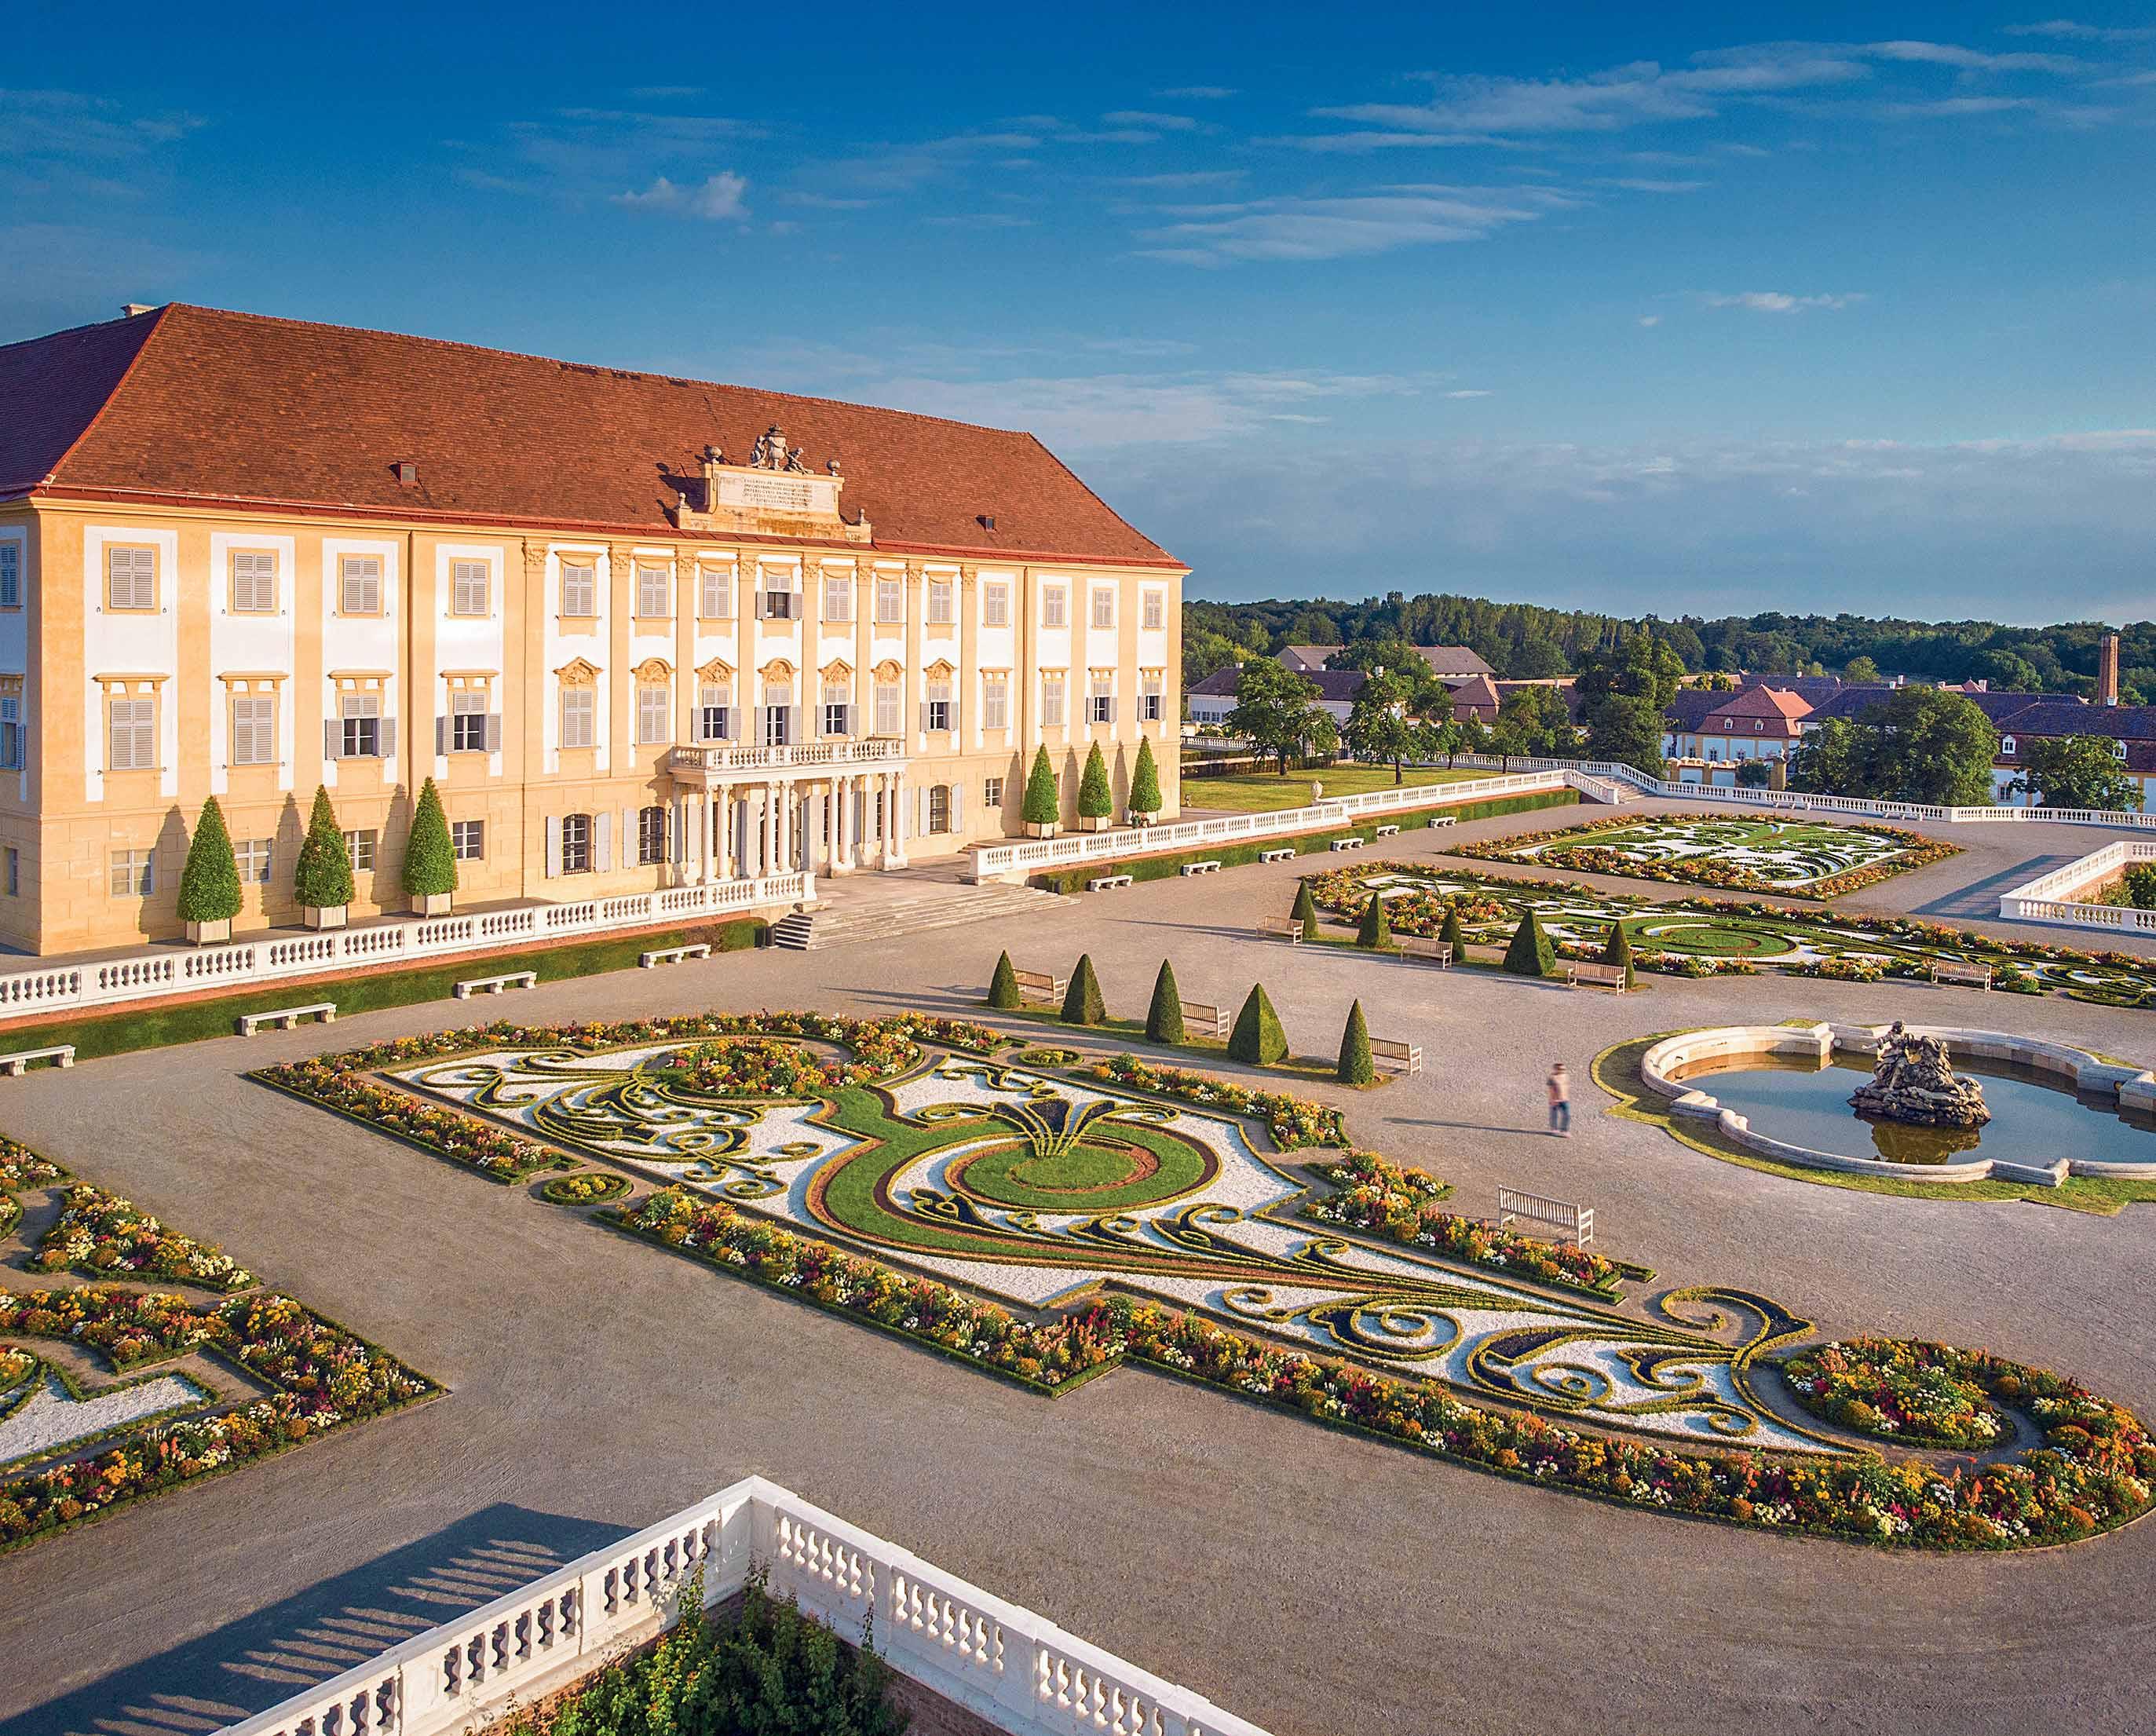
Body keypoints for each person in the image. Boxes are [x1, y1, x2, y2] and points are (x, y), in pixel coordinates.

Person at [1547, 1062, 1570, 1138]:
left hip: (1564, 1099)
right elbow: (1551, 1090)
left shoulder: (1566, 1076)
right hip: (1555, 1100)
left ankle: (1564, 1130)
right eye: (1560, 1069)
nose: (1563, 1070)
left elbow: (1566, 1087)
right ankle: (1554, 1129)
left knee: (1567, 1115)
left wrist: (1566, 1097)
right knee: (1554, 1116)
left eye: (1564, 1069)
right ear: (1556, 1069)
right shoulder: (1552, 1078)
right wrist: (1552, 1100)